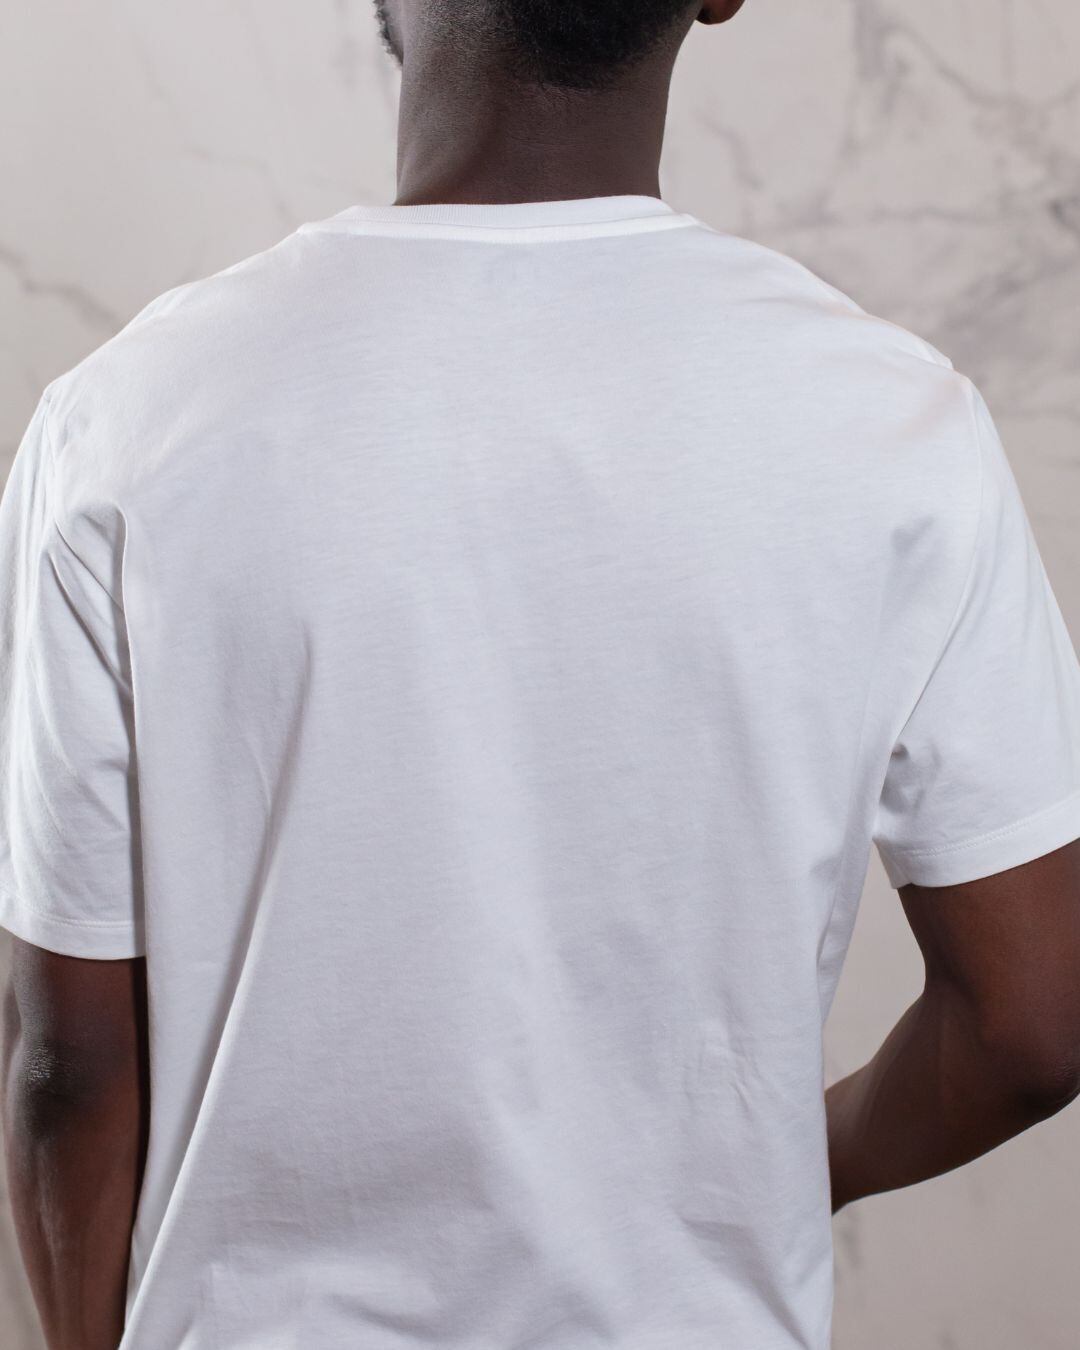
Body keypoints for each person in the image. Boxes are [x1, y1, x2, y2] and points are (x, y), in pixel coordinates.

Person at [2, 2, 1079, 1347]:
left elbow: (70, 1059)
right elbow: (1036, 1018)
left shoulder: (123, 428)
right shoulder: (897, 426)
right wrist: (793, 1171)